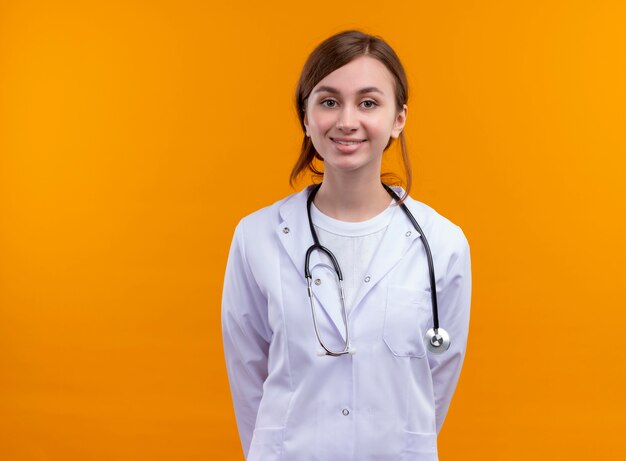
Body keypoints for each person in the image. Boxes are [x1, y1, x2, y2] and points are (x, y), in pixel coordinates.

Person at [221, 30, 472, 461]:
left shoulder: (443, 243)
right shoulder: (256, 236)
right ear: (306, 116)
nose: (347, 121)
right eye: (329, 101)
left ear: (399, 118)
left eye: (369, 102)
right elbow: (248, 376)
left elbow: (437, 376)